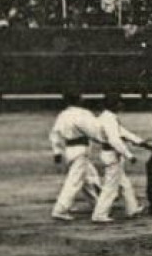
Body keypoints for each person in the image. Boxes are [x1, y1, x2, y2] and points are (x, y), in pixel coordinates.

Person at [91, 95, 146, 223]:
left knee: (125, 184)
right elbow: (115, 140)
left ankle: (132, 209)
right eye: (120, 103)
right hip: (112, 155)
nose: (122, 105)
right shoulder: (109, 119)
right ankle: (99, 214)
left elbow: (123, 132)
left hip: (110, 154)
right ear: (114, 104)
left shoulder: (107, 117)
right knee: (110, 187)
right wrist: (129, 155)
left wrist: (140, 141)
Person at [47, 92, 101, 221]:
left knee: (87, 179)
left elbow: (55, 134)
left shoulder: (63, 115)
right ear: (79, 100)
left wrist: (57, 152)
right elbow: (95, 131)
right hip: (81, 150)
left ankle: (98, 204)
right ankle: (60, 209)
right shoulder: (83, 114)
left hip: (69, 150)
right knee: (75, 181)